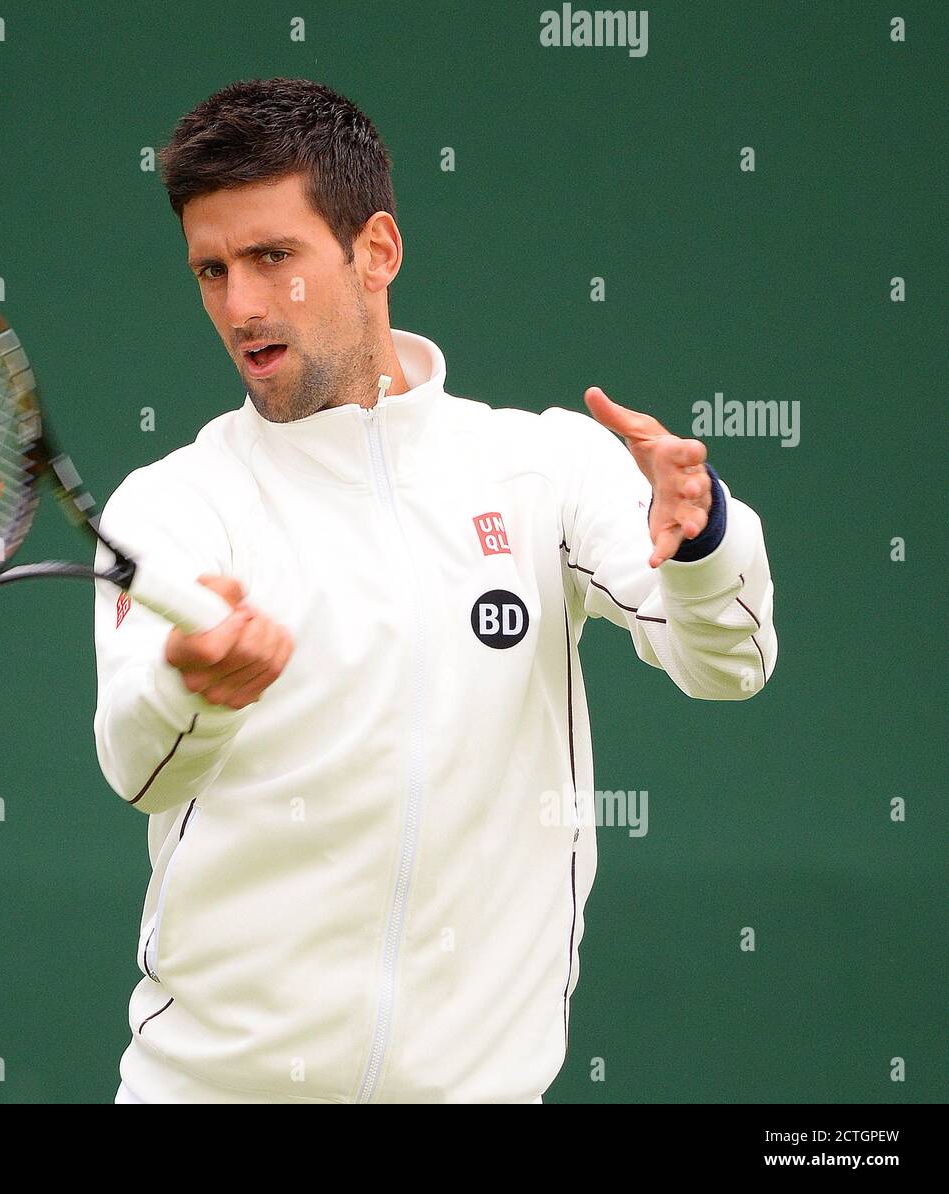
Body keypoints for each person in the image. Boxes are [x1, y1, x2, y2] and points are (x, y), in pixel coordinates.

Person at [93, 77, 778, 1104]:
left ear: (375, 251)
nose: (239, 306)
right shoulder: (175, 506)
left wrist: (701, 540)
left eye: (272, 257)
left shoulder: (544, 468)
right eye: (211, 269)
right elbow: (139, 767)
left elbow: (730, 662)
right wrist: (196, 690)